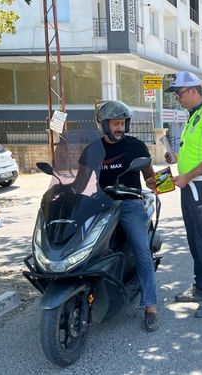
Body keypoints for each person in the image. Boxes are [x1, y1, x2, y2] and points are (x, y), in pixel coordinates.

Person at [73, 100, 160, 332]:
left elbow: (150, 177)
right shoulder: (93, 150)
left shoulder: (136, 146)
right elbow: (81, 183)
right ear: (104, 125)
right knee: (79, 240)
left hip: (129, 203)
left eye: (122, 123)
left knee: (142, 250)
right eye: (115, 123)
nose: (120, 128)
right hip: (102, 203)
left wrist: (160, 183)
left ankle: (150, 306)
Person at [160, 71, 202, 318]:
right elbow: (196, 153)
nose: (177, 98)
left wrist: (187, 176)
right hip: (190, 185)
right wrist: (175, 159)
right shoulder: (194, 116)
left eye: (178, 94)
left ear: (192, 91)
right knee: (194, 239)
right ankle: (200, 287)